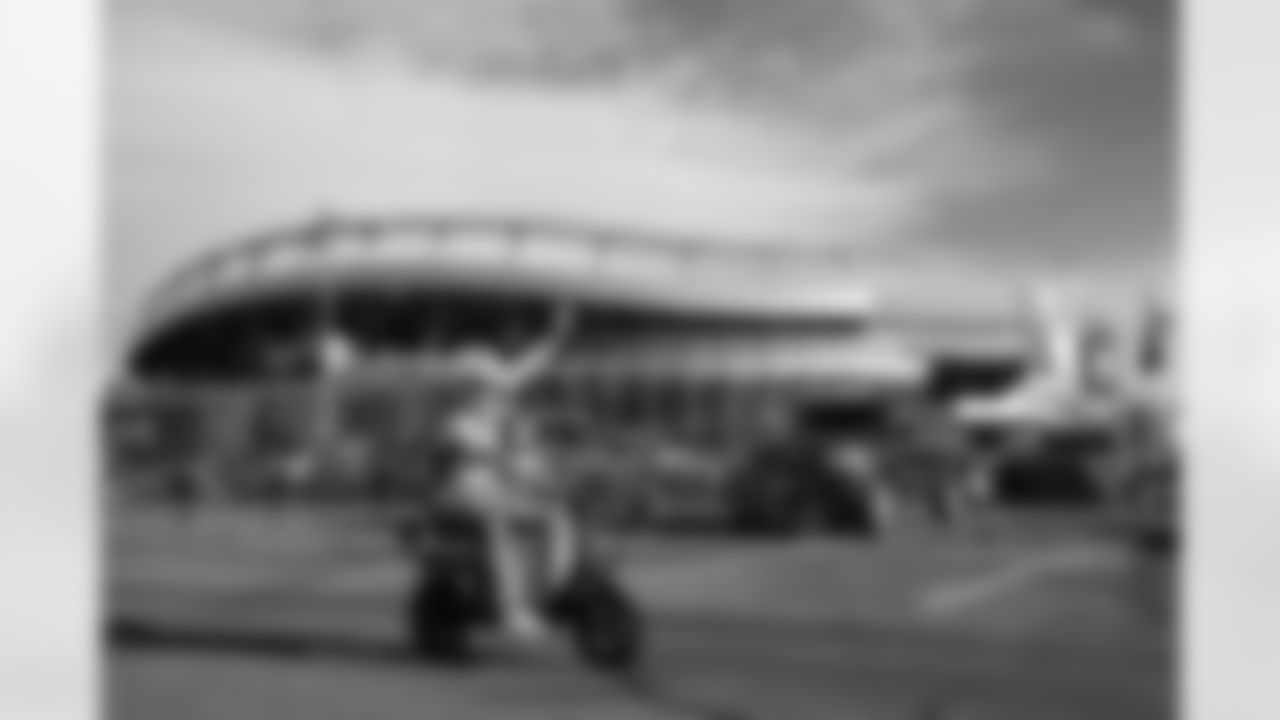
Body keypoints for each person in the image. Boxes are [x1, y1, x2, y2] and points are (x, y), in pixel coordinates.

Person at [437, 303, 578, 642]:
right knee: (500, 527)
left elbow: (526, 371)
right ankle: (510, 609)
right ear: (468, 387)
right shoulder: (457, 423)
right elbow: (486, 455)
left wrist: (558, 333)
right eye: (485, 386)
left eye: (493, 386)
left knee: (552, 516)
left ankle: (547, 592)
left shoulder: (499, 416)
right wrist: (512, 463)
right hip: (464, 497)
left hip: (493, 493)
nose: (494, 391)